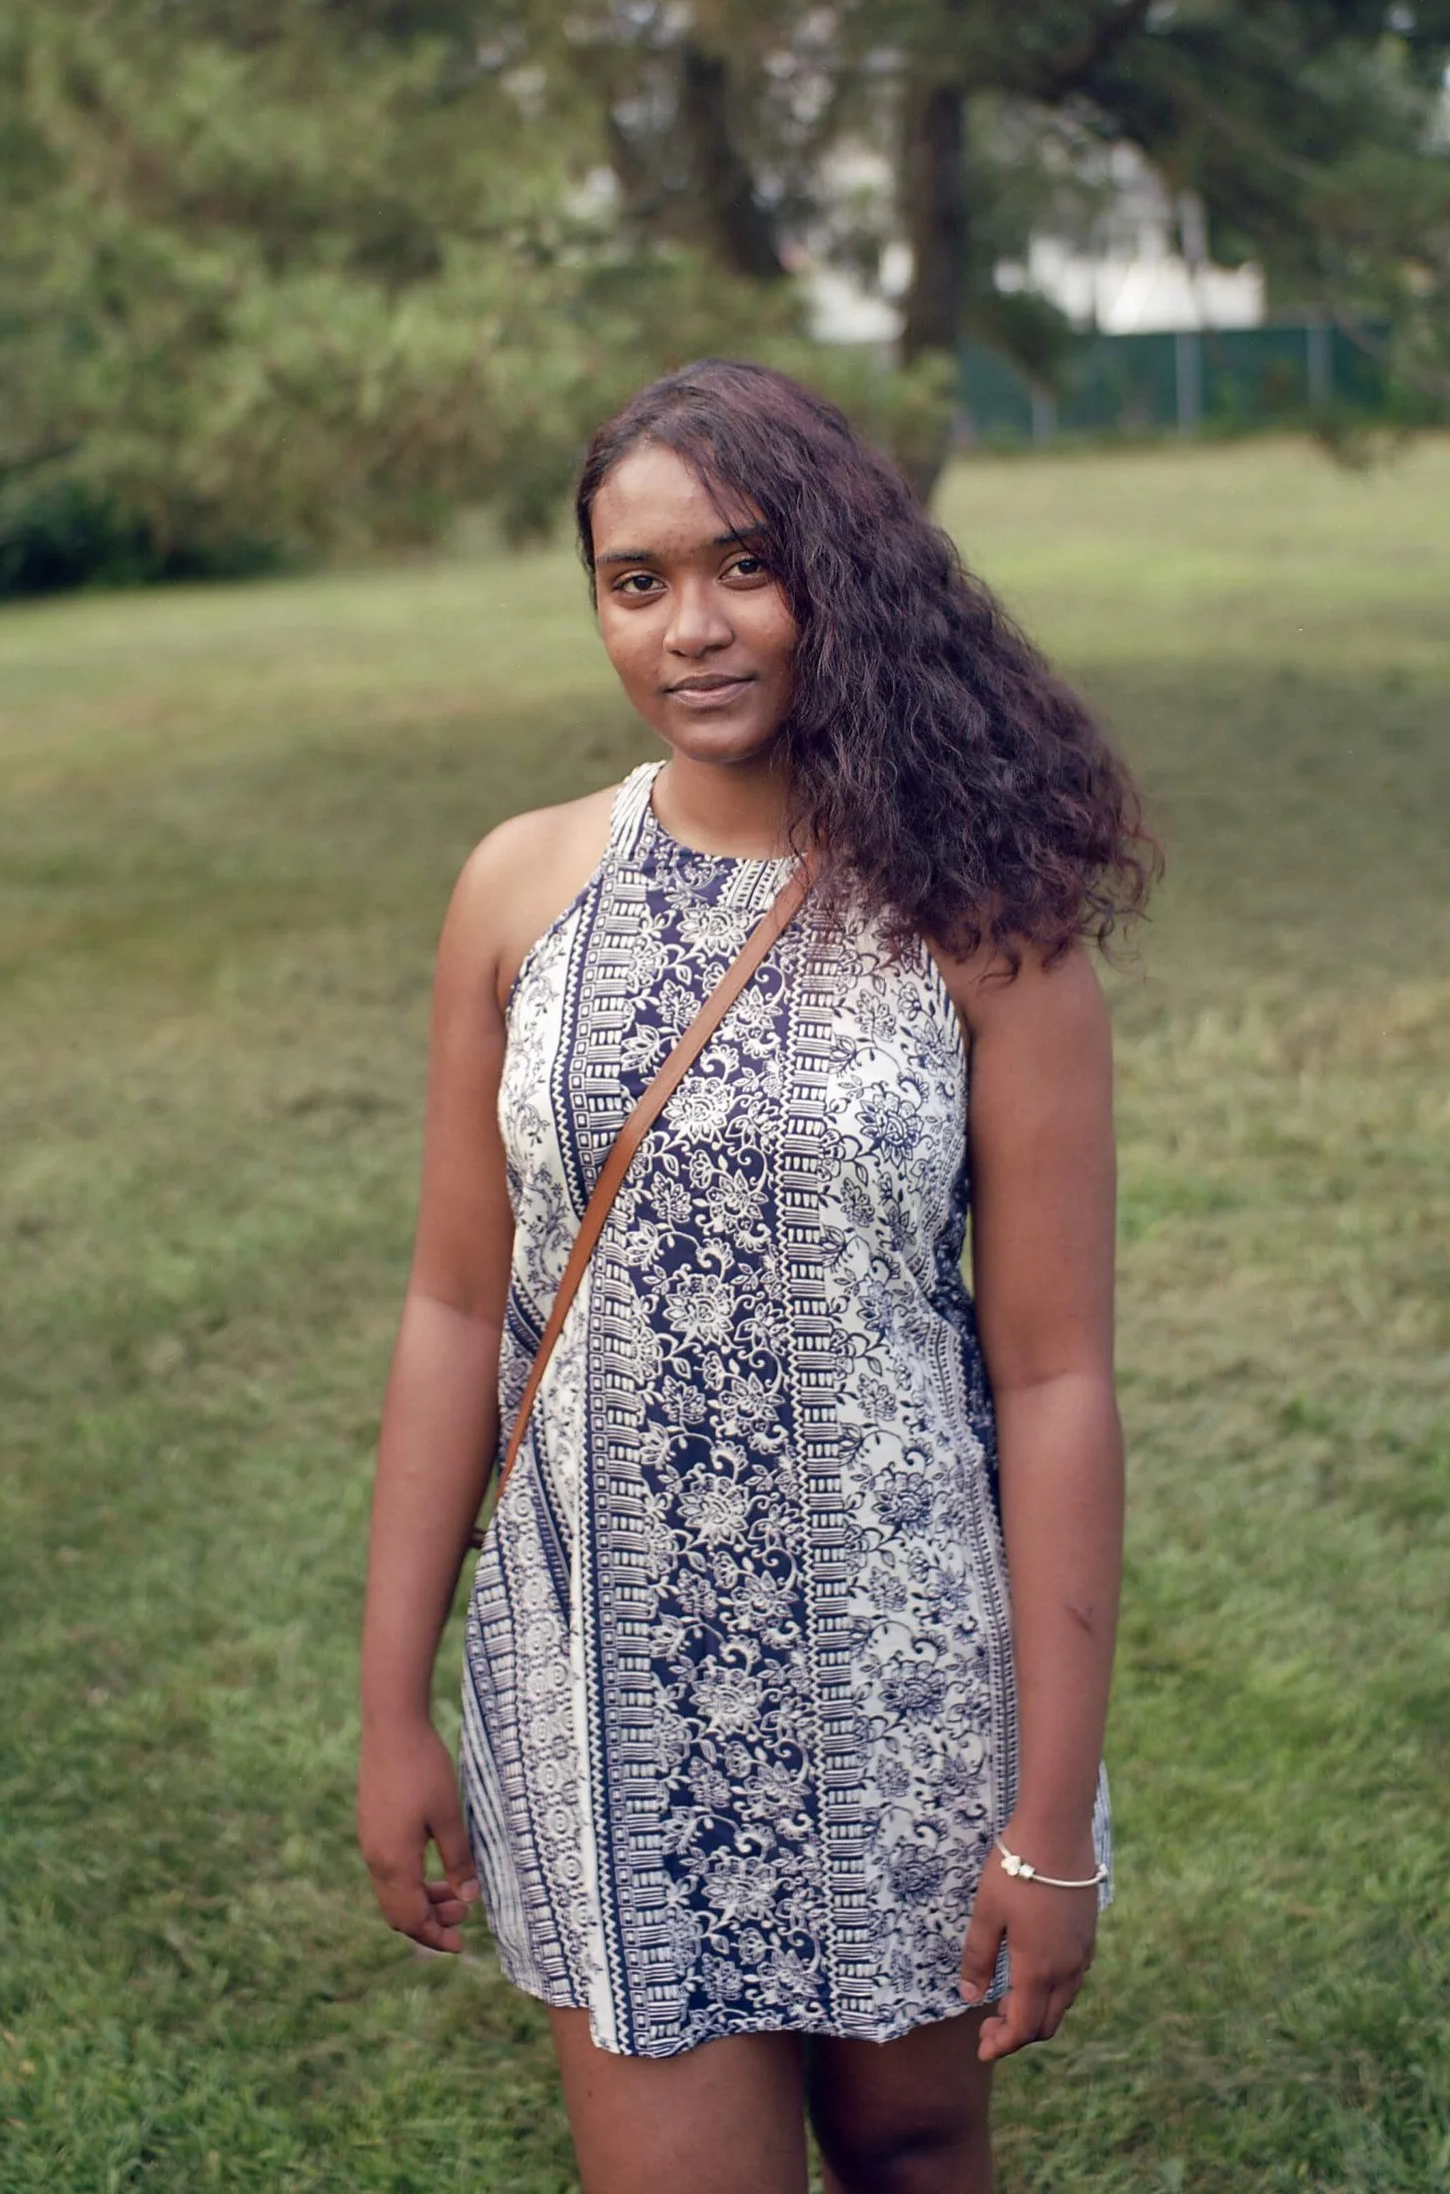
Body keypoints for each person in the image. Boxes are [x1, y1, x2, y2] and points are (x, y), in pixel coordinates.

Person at [357, 360, 1154, 2194]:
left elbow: (1053, 1379)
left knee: (915, 2153)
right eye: (636, 582)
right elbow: (452, 1309)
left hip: (900, 1679)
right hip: (601, 1684)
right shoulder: (519, 888)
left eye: (744, 566)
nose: (692, 628)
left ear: (840, 580)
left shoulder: (979, 907)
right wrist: (393, 1699)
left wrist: (1048, 1820)